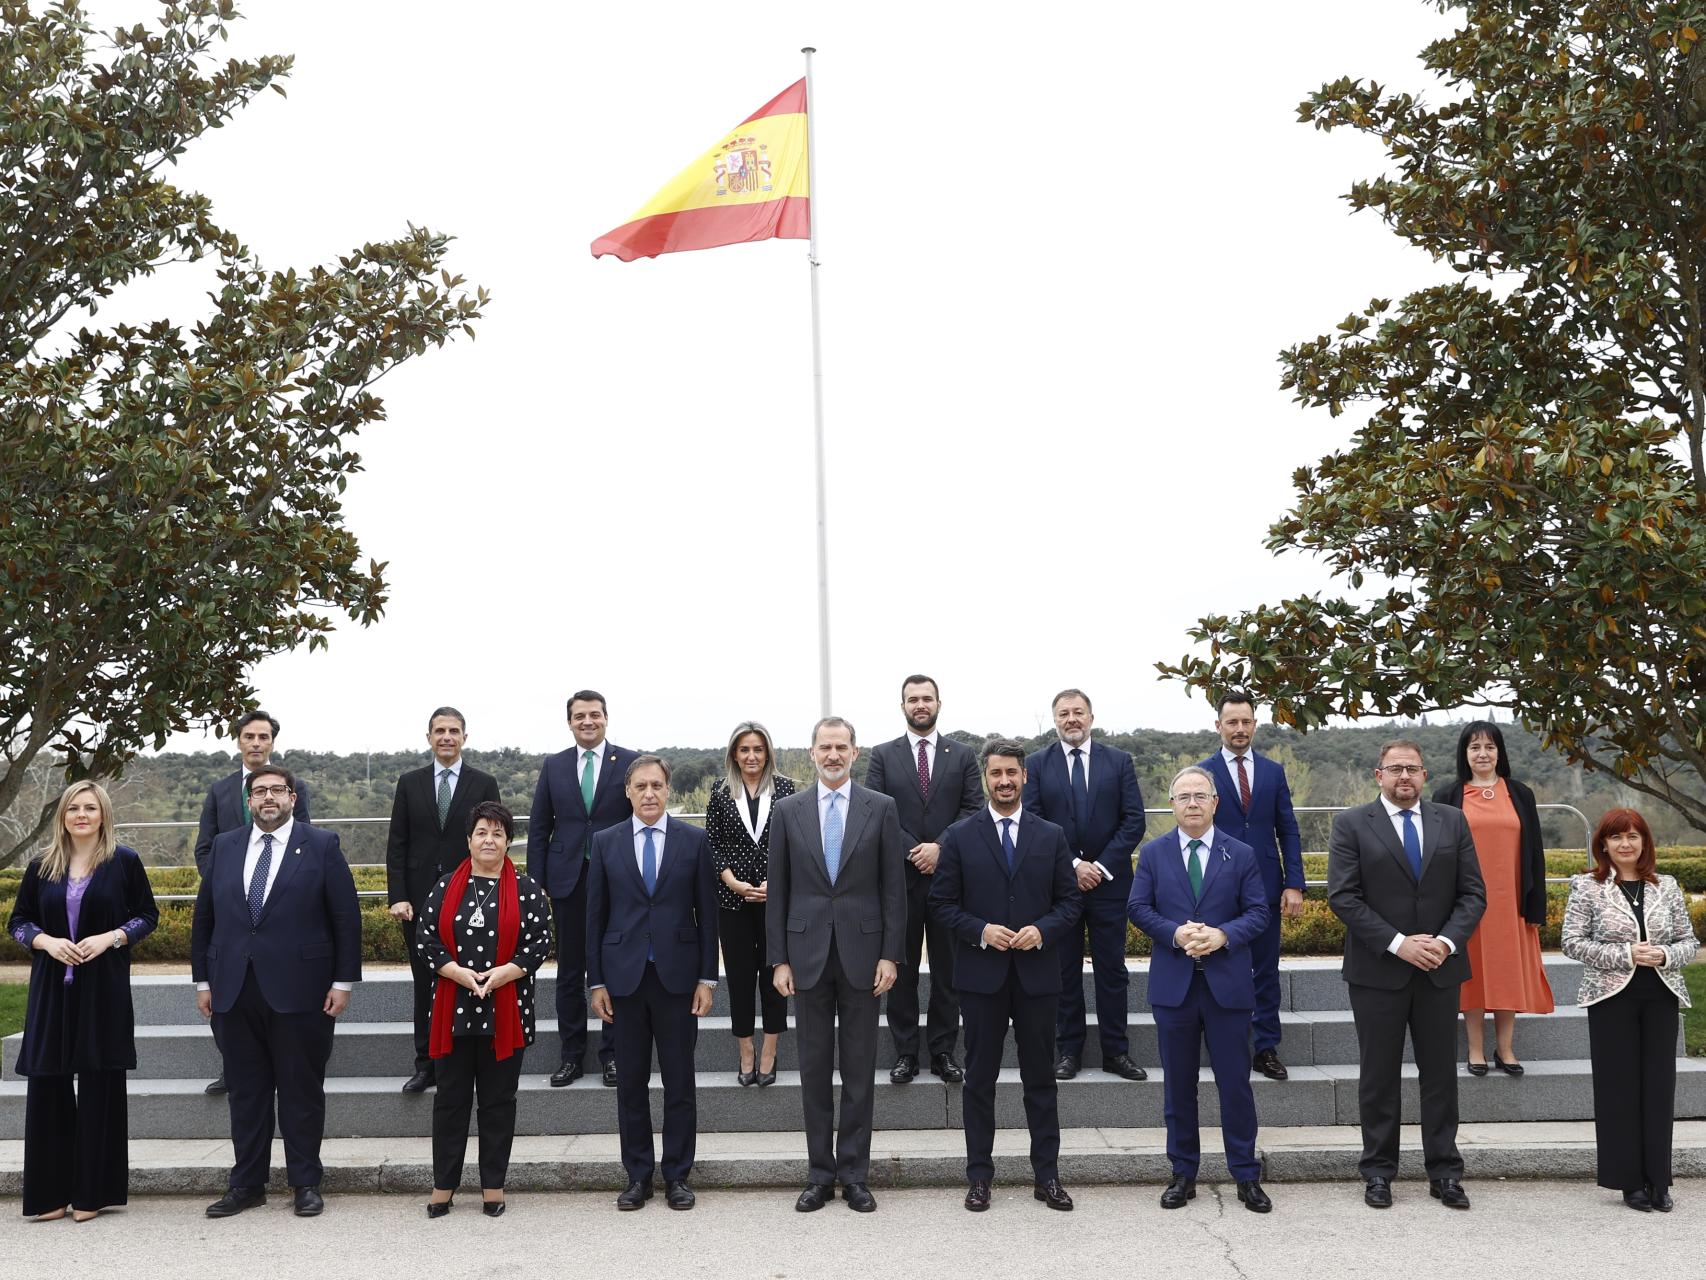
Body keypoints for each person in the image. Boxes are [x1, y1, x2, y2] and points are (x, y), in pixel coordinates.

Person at [190, 765, 361, 1219]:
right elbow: (204, 917)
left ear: (292, 798)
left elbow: (346, 918)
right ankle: (247, 1184)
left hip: (302, 991)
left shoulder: (321, 845)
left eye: (278, 790)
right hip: (232, 989)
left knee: (301, 1091)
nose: (269, 797)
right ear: (249, 800)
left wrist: (342, 982)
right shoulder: (226, 847)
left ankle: (305, 1183)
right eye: (259, 791)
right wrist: (202, 980)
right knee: (246, 1093)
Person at [1328, 740, 1486, 1211]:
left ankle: (1445, 1174)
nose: (1404, 777)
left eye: (1412, 769)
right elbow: (1344, 896)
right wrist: (1400, 944)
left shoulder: (1452, 821)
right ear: (1378, 774)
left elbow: (1473, 894)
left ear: (1424, 774)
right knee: (1378, 1076)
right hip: (1378, 970)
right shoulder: (1352, 824)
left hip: (1440, 968)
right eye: (1394, 768)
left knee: (1440, 1076)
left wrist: (1444, 942)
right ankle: (1378, 1172)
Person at [929, 740, 1080, 1213]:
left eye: (1012, 773)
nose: (1005, 781)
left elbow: (1071, 903)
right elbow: (941, 904)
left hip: (1037, 976)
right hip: (981, 978)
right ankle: (979, 1178)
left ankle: (1047, 1177)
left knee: (1041, 1080)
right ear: (986, 778)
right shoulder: (958, 836)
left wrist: (1042, 930)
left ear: (1024, 777)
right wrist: (980, 931)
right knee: (979, 1081)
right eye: (996, 774)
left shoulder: (1051, 835)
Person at [767, 716, 906, 1213]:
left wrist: (891, 953)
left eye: (840, 747)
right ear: (811, 753)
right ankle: (819, 1175)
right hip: (804, 959)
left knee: (859, 1071)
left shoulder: (881, 808)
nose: (832, 755)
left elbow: (894, 889)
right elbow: (778, 891)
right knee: (812, 1070)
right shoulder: (787, 810)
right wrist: (777, 960)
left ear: (854, 751)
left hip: (864, 959)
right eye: (824, 747)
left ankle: (855, 1175)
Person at [7, 782, 158, 1222]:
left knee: (100, 1086)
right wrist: (45, 941)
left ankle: (92, 1194)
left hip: (103, 988)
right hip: (52, 988)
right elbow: (18, 922)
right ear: (62, 816)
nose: (81, 814)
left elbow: (147, 915)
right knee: (48, 1085)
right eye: (73, 807)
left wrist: (112, 937)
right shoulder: (41, 866)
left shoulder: (124, 862)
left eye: (91, 807)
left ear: (104, 814)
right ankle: (49, 1195)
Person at [1128, 767, 1272, 1213]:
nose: (1192, 803)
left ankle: (1246, 1175)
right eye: (1183, 796)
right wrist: (1174, 933)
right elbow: (1137, 906)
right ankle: (1182, 1174)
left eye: (1200, 795)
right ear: (1171, 805)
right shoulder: (1153, 854)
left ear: (1215, 803)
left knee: (1235, 1087)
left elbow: (1259, 912)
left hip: (1227, 986)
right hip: (1175, 987)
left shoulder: (1241, 854)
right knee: (1178, 1087)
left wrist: (1223, 935)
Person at [587, 756, 719, 1211]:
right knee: (631, 1085)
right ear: (627, 792)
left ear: (668, 791)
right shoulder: (604, 843)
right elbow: (594, 919)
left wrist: (707, 978)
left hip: (679, 981)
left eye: (657, 785)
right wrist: (596, 982)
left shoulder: (695, 841)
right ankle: (638, 1177)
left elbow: (708, 916)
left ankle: (678, 1176)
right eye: (640, 785)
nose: (649, 793)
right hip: (623, 982)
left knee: (680, 1083)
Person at [416, 801, 550, 1218]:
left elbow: (540, 941)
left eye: (497, 833)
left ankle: (494, 1185)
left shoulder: (526, 888)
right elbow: (425, 939)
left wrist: (506, 973)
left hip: (506, 1010)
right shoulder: (444, 886)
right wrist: (456, 972)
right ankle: (444, 1186)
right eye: (481, 833)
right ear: (468, 840)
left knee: (497, 1102)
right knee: (450, 1101)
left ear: (508, 841)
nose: (488, 840)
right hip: (452, 1010)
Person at [1563, 808, 1700, 1212]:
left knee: (1659, 1089)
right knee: (1619, 1090)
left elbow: (1688, 941)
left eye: (1633, 836)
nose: (1626, 844)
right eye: (1617, 837)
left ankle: (1659, 1180)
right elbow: (1572, 942)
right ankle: (1629, 1183)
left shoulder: (1668, 886)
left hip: (1660, 994)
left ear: (1645, 842)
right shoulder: (1587, 887)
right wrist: (1625, 953)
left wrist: (1663, 954)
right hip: (1611, 998)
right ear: (1603, 844)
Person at [1021, 688, 1148, 1081]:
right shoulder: (1038, 765)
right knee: (1063, 971)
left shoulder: (1119, 761)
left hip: (1109, 886)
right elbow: (1035, 819)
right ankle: (1068, 1052)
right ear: (1055, 720)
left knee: (1113, 970)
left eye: (1078, 712)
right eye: (1063, 714)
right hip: (1060, 886)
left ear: (1091, 717)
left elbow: (1134, 821)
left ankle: (1116, 1052)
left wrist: (1100, 866)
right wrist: (1074, 865)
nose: (1071, 719)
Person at [865, 675, 983, 1084]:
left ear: (938, 703)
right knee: (902, 969)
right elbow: (875, 810)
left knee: (949, 971)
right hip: (900, 880)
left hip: (950, 880)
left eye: (926, 698)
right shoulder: (882, 755)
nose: (920, 704)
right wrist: (915, 849)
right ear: (902, 706)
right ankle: (905, 1054)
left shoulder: (964, 754)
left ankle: (943, 1052)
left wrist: (940, 848)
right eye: (912, 699)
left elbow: (972, 809)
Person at [192, 708, 312, 1096]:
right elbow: (205, 846)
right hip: (231, 909)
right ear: (239, 741)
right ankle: (233, 1069)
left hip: (279, 908)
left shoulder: (292, 786)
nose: (256, 743)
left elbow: (305, 841)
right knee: (230, 987)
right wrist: (222, 886)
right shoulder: (220, 790)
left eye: (263, 737)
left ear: (273, 742)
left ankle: (281, 1064)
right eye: (249, 737)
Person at [386, 706, 502, 1093]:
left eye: (454, 730)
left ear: (465, 737)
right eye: (440, 731)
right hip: (418, 901)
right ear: (429, 737)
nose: (446, 737)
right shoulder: (409, 782)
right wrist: (398, 895)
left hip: (470, 898)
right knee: (426, 982)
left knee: (467, 977)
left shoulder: (483, 782)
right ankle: (427, 1064)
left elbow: (493, 838)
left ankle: (465, 1059)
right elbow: (397, 844)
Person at [527, 690, 638, 1087]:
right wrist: (535, 882)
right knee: (570, 971)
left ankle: (612, 1055)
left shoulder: (629, 761)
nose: (587, 721)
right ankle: (571, 1055)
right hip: (566, 880)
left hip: (617, 879)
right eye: (579, 716)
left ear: (606, 718)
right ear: (569, 722)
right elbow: (539, 826)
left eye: (594, 715)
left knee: (612, 966)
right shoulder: (554, 765)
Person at [1431, 720, 1553, 1075]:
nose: (1482, 754)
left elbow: (1535, 854)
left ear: (1500, 752)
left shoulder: (1520, 793)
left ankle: (1506, 1049)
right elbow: (1438, 856)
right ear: (1464, 754)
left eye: (1489, 747)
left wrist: (1536, 905)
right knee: (1470, 973)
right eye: (1474, 747)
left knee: (1506, 973)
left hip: (1510, 902)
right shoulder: (1447, 796)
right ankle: (1474, 1050)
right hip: (1465, 904)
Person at [1196, 692, 1304, 1080]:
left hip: (1267, 885)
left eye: (1246, 722)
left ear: (1255, 725)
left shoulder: (1273, 772)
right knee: (1217, 965)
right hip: (1218, 887)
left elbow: (1287, 829)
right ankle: (1224, 1042)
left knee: (1266, 969)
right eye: (1232, 722)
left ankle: (1266, 1047)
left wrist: (1295, 883)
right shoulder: (1202, 773)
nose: (1239, 729)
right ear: (1218, 726)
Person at [703, 721, 795, 1085]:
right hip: (733, 899)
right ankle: (746, 1050)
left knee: (775, 974)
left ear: (767, 752)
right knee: (740, 979)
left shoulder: (786, 788)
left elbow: (794, 843)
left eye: (758, 749)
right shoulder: (721, 790)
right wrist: (733, 882)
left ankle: (770, 1049)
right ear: (734, 755)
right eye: (745, 750)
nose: (752, 756)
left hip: (776, 899)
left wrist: (778, 882)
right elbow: (712, 844)